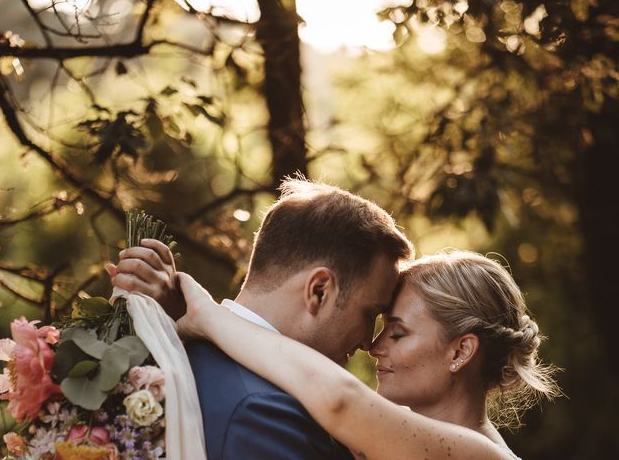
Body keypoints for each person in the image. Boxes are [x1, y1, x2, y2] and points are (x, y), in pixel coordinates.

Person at [107, 178, 414, 459]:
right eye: (370, 314)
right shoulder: (264, 413)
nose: (367, 342)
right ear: (319, 291)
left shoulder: (173, 357)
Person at [171, 250, 560, 460]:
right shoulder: (391, 434)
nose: (374, 348)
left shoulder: (480, 456)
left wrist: (208, 317)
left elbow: (339, 399)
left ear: (460, 351)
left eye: (398, 332)